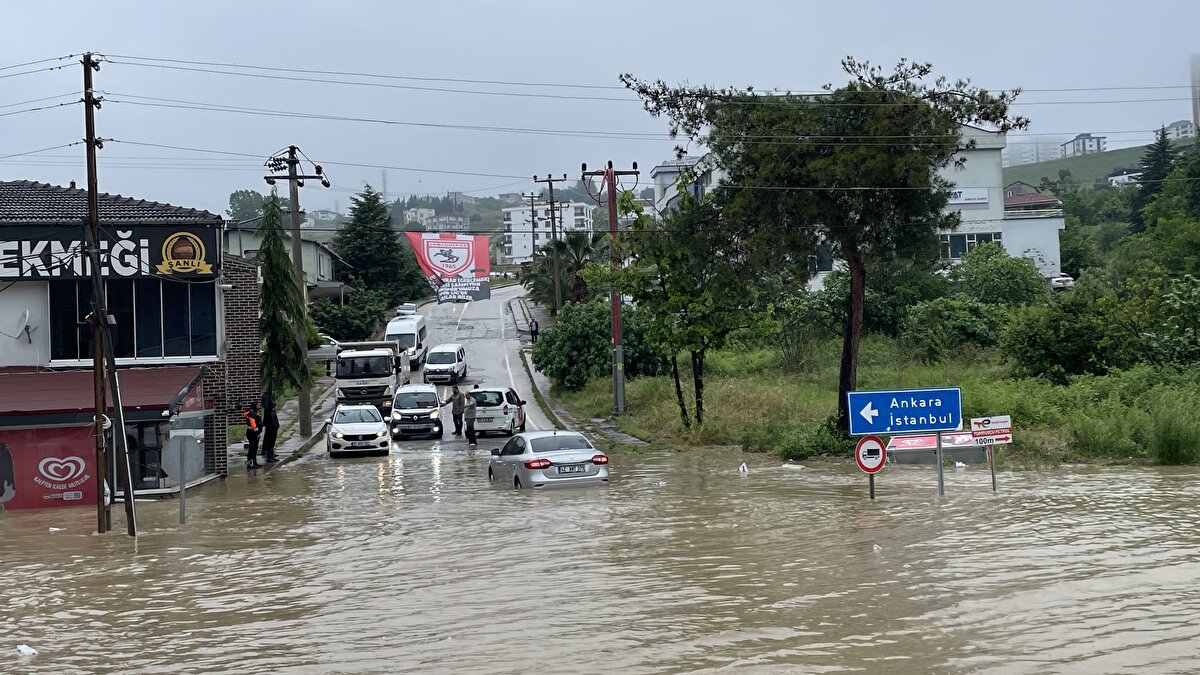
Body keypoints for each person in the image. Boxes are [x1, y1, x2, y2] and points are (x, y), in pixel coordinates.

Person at [261, 390, 280, 462]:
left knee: (271, 442)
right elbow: (273, 422)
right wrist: (276, 427)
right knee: (270, 442)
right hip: (271, 428)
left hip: (271, 427)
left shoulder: (270, 412)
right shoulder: (270, 412)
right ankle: (270, 455)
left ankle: (271, 454)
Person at [243, 402, 262, 469]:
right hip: (252, 433)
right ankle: (250, 464)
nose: (259, 406)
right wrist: (257, 433)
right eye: (257, 405)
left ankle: (254, 462)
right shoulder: (251, 414)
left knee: (255, 448)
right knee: (252, 448)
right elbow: (253, 425)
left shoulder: (256, 413)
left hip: (254, 432)